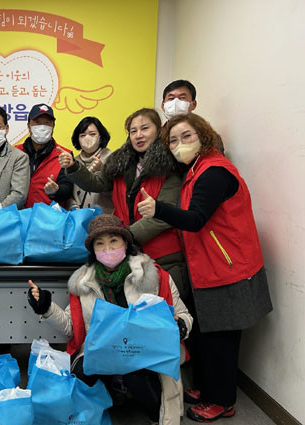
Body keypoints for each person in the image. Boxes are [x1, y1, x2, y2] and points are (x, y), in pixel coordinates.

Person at [137, 113, 272, 422]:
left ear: (204, 136)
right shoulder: (196, 169)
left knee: (221, 340)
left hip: (227, 268)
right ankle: (206, 387)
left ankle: (222, 401)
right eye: (173, 140)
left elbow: (196, 219)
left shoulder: (214, 172)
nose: (179, 144)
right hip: (209, 265)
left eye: (187, 136)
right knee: (205, 334)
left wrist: (159, 209)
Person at [26, 214, 192, 424]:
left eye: (114, 241)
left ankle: (153, 410)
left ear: (126, 243)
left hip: (143, 352)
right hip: (101, 351)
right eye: (100, 244)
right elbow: (71, 327)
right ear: (93, 250)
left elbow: (184, 315)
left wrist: (179, 325)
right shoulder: (84, 283)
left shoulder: (155, 276)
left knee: (135, 375)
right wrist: (46, 307)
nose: (107, 249)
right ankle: (100, 405)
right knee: (80, 372)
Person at [60, 108, 189, 300]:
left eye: (145, 128)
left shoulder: (171, 166)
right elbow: (97, 183)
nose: (139, 135)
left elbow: (164, 216)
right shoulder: (120, 163)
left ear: (159, 130)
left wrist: (125, 236)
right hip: (128, 257)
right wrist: (73, 167)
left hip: (164, 257)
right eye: (133, 131)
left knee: (166, 312)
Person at [15, 103, 73, 208]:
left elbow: (68, 188)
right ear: (29, 126)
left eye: (47, 123)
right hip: (18, 214)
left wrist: (56, 191)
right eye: (37, 122)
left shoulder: (64, 155)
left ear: (53, 126)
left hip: (48, 215)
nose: (42, 127)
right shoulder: (15, 152)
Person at [66, 117, 113, 214]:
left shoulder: (111, 158)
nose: (87, 138)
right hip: (78, 217)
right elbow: (68, 190)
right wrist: (73, 206)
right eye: (82, 135)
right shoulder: (74, 162)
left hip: (102, 217)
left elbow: (113, 188)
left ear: (101, 137)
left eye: (92, 134)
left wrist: (102, 169)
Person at [161, 79, 224, 152]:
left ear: (193, 104)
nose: (175, 102)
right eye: (171, 98)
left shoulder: (208, 136)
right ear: (163, 105)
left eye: (182, 98)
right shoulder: (157, 135)